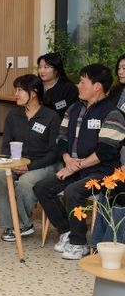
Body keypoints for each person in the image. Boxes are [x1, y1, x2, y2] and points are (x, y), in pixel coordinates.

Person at [33, 64, 125, 260]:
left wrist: (77, 165)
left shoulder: (113, 114)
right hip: (75, 168)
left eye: (83, 82)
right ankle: (66, 231)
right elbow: (62, 139)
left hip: (103, 173)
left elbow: (105, 151)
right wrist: (68, 160)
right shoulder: (73, 109)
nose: (78, 86)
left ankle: (79, 243)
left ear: (97, 87)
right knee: (42, 187)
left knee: (73, 191)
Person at [0, 74, 60, 242]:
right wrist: (9, 164)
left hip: (44, 164)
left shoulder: (51, 117)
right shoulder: (13, 116)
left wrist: (29, 167)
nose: (16, 94)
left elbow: (54, 153)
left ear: (34, 93)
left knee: (25, 182)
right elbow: (6, 145)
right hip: (17, 163)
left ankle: (23, 224)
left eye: (20, 90)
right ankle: (10, 225)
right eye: (16, 90)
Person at [36, 53, 78, 118]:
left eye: (46, 67)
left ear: (56, 69)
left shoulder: (69, 88)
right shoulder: (35, 85)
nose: (42, 71)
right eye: (40, 67)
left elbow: (72, 111)